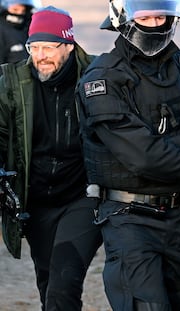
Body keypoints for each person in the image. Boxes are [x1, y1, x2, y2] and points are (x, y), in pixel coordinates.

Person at [75, 0, 180, 310]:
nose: (156, 24)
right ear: (123, 18)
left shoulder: (179, 63)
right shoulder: (102, 78)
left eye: (162, 16)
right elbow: (143, 155)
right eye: (146, 16)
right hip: (130, 218)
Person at [0, 6, 103, 311]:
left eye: (49, 47)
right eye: (34, 47)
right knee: (49, 287)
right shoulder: (10, 83)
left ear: (68, 46)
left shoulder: (96, 76)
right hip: (36, 203)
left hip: (82, 197)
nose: (40, 55)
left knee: (63, 283)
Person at [0, 0, 39, 67]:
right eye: (15, 10)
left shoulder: (28, 27)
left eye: (23, 11)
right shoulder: (2, 30)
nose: (19, 13)